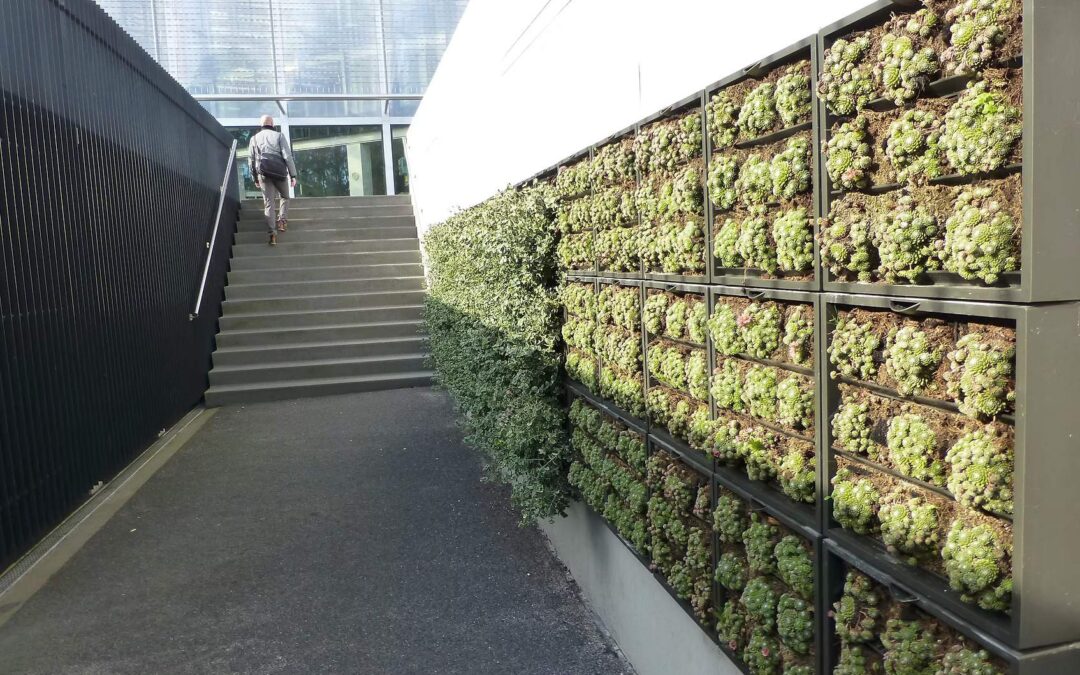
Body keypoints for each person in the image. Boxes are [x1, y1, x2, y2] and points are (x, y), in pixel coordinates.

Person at [248, 115, 298, 245]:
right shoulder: (279, 136)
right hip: (280, 173)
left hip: (263, 173)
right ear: (272, 124)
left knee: (268, 203)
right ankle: (282, 221)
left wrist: (255, 178)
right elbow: (287, 156)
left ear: (261, 125)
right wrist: (293, 175)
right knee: (285, 196)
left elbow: (251, 161)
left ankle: (272, 234)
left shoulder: (254, 139)